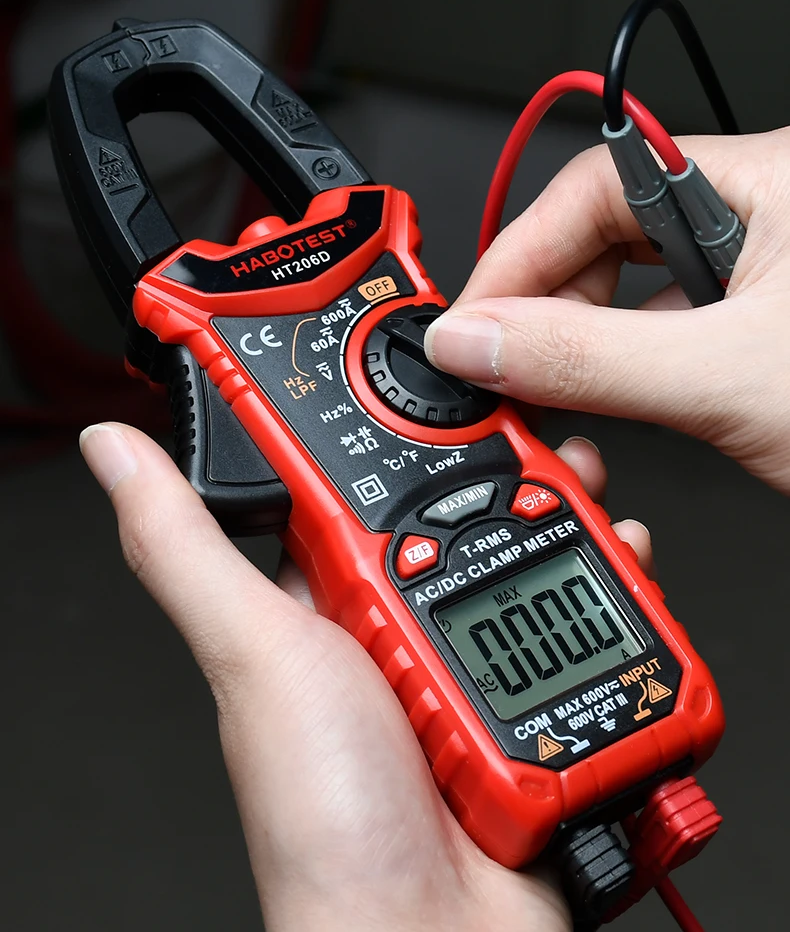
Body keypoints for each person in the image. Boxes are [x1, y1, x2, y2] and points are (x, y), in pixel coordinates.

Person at [79, 130, 785, 930]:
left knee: (561, 516)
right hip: (500, 560)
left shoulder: (272, 285)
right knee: (565, 519)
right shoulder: (232, 303)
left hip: (470, 572)